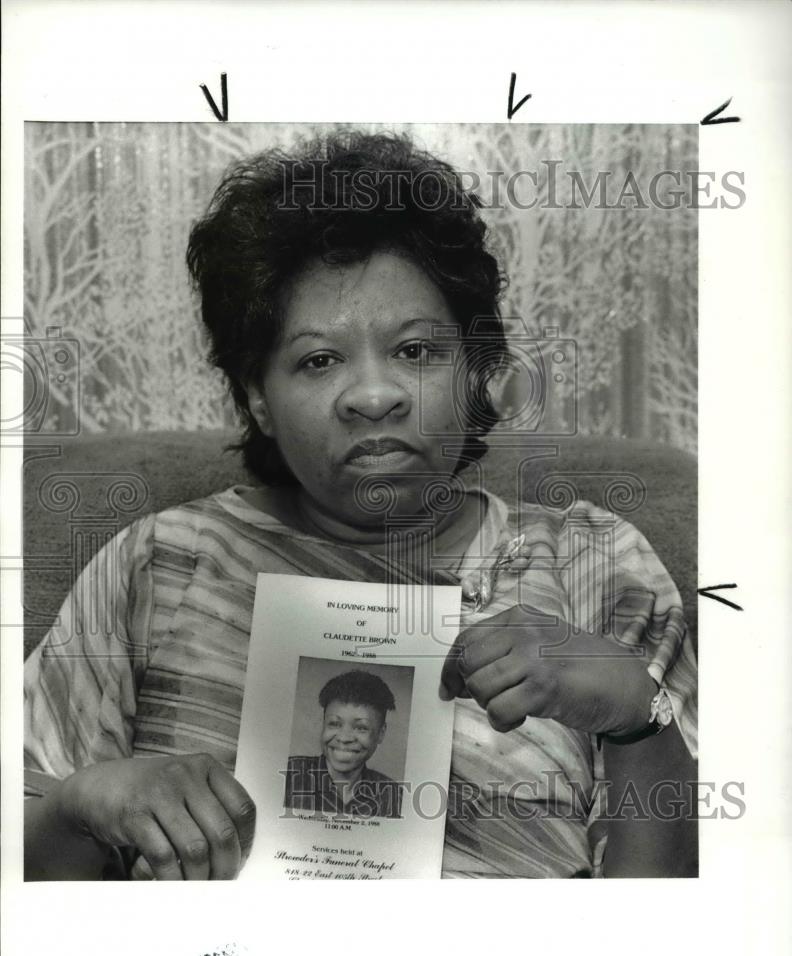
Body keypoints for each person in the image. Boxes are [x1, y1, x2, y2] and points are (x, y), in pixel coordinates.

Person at [24, 129, 698, 880]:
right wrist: (77, 805)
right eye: (318, 360)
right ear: (259, 399)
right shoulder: (159, 563)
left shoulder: (594, 564)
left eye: (415, 351)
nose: (373, 395)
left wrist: (641, 719)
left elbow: (693, 930)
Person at [284, 670, 403, 819]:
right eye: (334, 724)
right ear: (323, 724)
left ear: (381, 733)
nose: (344, 738)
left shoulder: (393, 796)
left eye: (361, 728)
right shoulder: (288, 775)